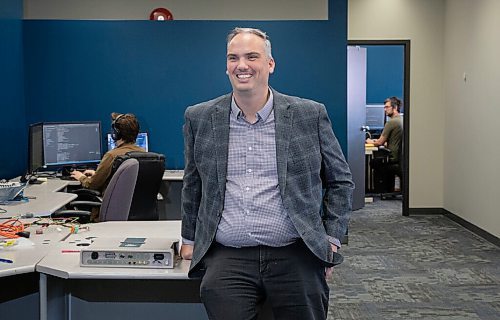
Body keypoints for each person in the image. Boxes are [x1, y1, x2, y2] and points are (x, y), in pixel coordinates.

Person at [180, 27, 354, 320]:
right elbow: (193, 183)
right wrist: (189, 239)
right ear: (226, 66)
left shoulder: (308, 114)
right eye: (233, 58)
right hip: (228, 255)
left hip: (296, 253)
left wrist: (332, 238)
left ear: (270, 64)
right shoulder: (200, 117)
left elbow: (340, 181)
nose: (242, 65)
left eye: (252, 56)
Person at [70, 113, 144, 220]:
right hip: (139, 214)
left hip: (114, 212)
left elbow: (92, 184)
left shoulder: (112, 155)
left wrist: (81, 177)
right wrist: (98, 174)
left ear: (116, 134)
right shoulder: (146, 155)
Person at [366, 96, 403, 192]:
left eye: (387, 107)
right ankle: (389, 189)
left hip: (392, 158)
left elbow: (379, 142)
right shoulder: (402, 120)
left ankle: (379, 190)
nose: (385, 110)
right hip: (401, 159)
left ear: (394, 108)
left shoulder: (391, 122)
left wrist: (369, 141)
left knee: (374, 162)